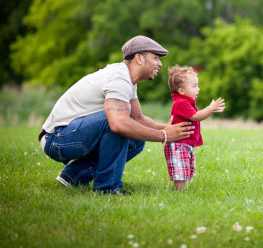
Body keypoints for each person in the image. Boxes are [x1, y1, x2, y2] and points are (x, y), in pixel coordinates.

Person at [39, 35, 194, 194]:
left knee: (136, 140)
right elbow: (118, 123)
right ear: (139, 58)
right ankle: (107, 188)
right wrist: (164, 135)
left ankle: (73, 175)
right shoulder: (118, 78)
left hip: (68, 136)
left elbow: (137, 118)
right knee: (117, 123)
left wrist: (170, 129)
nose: (160, 63)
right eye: (155, 58)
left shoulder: (128, 79)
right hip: (57, 139)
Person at [165, 65, 225, 191]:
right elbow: (196, 117)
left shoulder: (186, 102)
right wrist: (211, 108)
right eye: (194, 86)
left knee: (186, 167)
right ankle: (180, 191)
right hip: (178, 144)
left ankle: (182, 189)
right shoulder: (181, 103)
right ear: (181, 91)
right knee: (180, 170)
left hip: (184, 144)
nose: (198, 89)